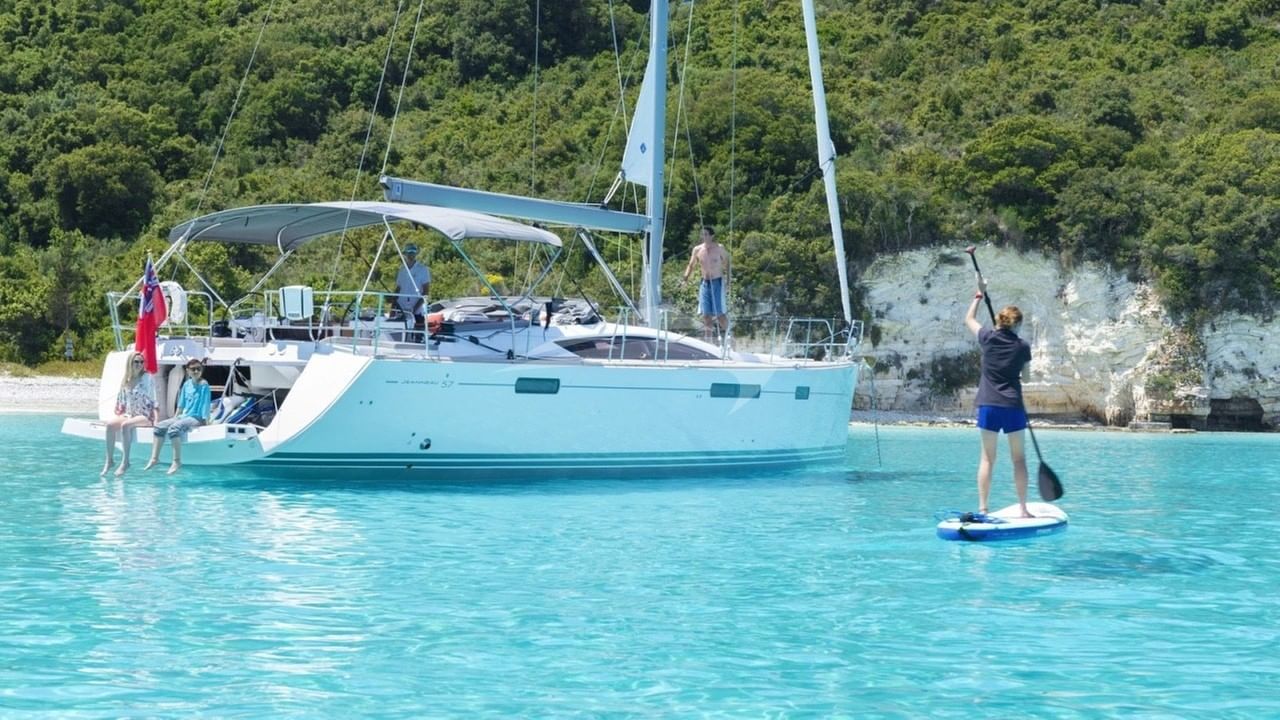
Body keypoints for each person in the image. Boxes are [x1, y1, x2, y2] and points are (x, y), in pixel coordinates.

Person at [965, 277, 1034, 518]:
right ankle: (1023, 509)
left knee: (987, 459)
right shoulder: (1023, 347)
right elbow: (1026, 379)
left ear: (999, 322)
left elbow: (969, 319)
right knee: (1019, 460)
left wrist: (979, 294)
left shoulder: (987, 338)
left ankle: (983, 508)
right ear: (1018, 325)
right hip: (1012, 405)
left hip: (989, 405)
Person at [145, 358, 212, 475]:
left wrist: (206, 422)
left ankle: (176, 461)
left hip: (197, 418)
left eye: (199, 369)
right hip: (184, 416)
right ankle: (154, 458)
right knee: (159, 427)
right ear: (188, 371)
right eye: (193, 369)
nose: (196, 371)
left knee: (174, 429)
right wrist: (174, 418)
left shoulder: (204, 385)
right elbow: (181, 405)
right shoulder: (186, 385)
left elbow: (205, 405)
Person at [102, 351, 157, 477]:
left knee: (125, 426)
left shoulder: (147, 378)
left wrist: (156, 419)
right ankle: (109, 460)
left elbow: (154, 400)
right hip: (129, 414)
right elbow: (121, 401)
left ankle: (125, 461)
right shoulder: (126, 380)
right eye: (136, 362)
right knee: (110, 425)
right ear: (130, 363)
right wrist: (118, 414)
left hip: (144, 415)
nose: (139, 364)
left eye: (142, 362)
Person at [680, 226, 730, 341]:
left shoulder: (719, 248)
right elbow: (691, 265)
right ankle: (708, 342)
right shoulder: (697, 249)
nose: (704, 237)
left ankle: (729, 337)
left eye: (706, 234)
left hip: (717, 282)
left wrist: (728, 282)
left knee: (719, 314)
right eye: (702, 234)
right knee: (706, 315)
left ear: (712, 236)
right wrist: (685, 279)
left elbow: (728, 264)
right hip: (705, 283)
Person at [394, 243, 431, 340]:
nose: (411, 254)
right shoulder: (402, 270)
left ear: (416, 254)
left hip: (417, 311)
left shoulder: (423, 270)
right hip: (401, 310)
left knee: (418, 339)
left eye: (413, 252)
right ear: (405, 254)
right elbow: (397, 290)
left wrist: (415, 308)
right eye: (409, 252)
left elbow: (426, 292)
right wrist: (392, 308)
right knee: (399, 337)